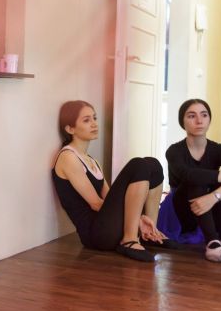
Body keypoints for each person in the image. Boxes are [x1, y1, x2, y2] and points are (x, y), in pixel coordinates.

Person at [52, 101, 183, 263]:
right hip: (96, 236)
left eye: (94, 118)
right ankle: (129, 239)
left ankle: (149, 234)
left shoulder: (91, 161)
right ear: (70, 129)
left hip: (108, 226)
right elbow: (95, 203)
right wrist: (139, 219)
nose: (94, 124)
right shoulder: (68, 157)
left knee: (154, 164)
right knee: (138, 164)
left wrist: (141, 218)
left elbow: (108, 198)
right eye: (86, 120)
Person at [165, 99, 221, 263]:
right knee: (196, 181)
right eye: (191, 116)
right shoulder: (174, 151)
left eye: (204, 115)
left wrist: (213, 197)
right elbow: (188, 175)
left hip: (212, 206)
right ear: (182, 121)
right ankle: (212, 241)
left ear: (209, 119)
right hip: (182, 209)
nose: (199, 120)